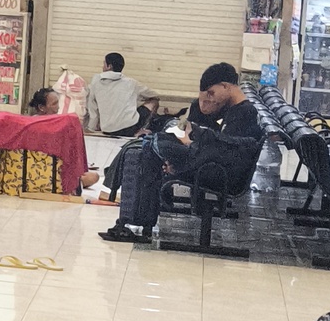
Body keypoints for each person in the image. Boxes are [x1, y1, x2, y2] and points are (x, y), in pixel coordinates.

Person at [99, 63, 263, 245]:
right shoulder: (234, 109)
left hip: (222, 175)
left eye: (211, 92)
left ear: (225, 86)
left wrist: (185, 159)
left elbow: (228, 152)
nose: (210, 98)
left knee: (150, 149)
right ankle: (135, 220)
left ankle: (134, 221)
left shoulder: (245, 113)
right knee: (144, 146)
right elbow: (223, 147)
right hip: (214, 167)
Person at [83, 52, 156, 137]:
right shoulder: (131, 82)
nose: (102, 67)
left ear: (109, 66)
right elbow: (153, 94)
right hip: (129, 129)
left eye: (104, 64)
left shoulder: (95, 82)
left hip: (107, 129)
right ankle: (142, 129)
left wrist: (91, 128)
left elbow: (93, 109)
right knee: (154, 101)